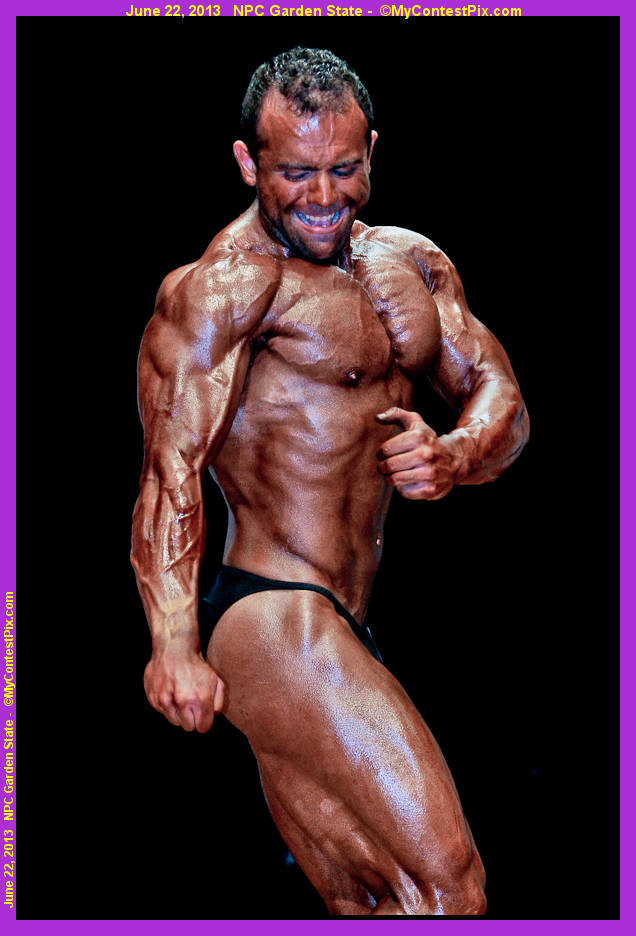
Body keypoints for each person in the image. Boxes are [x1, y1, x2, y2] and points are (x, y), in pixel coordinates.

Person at [131, 47, 529, 916]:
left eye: (344, 170)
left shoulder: (412, 263)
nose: (322, 196)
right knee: (455, 888)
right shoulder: (224, 289)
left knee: (388, 904)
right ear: (249, 164)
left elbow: (503, 402)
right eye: (296, 173)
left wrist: (455, 453)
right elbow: (170, 474)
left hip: (344, 620)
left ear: (372, 150)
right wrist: (172, 642)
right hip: (271, 614)